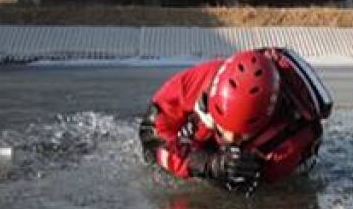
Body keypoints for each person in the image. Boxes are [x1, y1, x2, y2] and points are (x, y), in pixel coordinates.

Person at [138, 47, 333, 193]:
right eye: (222, 128)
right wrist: (207, 164)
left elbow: (258, 194)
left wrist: (236, 173)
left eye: (240, 134)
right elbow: (151, 135)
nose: (230, 139)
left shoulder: (287, 144)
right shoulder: (199, 79)